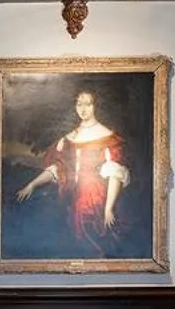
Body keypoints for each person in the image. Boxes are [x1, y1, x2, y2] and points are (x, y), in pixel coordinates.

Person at [15, 88, 130, 253]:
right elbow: (58, 169)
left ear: (96, 106)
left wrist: (108, 207)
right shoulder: (68, 139)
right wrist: (32, 184)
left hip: (95, 201)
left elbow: (115, 174)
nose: (83, 109)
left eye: (88, 104)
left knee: (93, 243)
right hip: (70, 198)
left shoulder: (107, 137)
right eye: (79, 104)